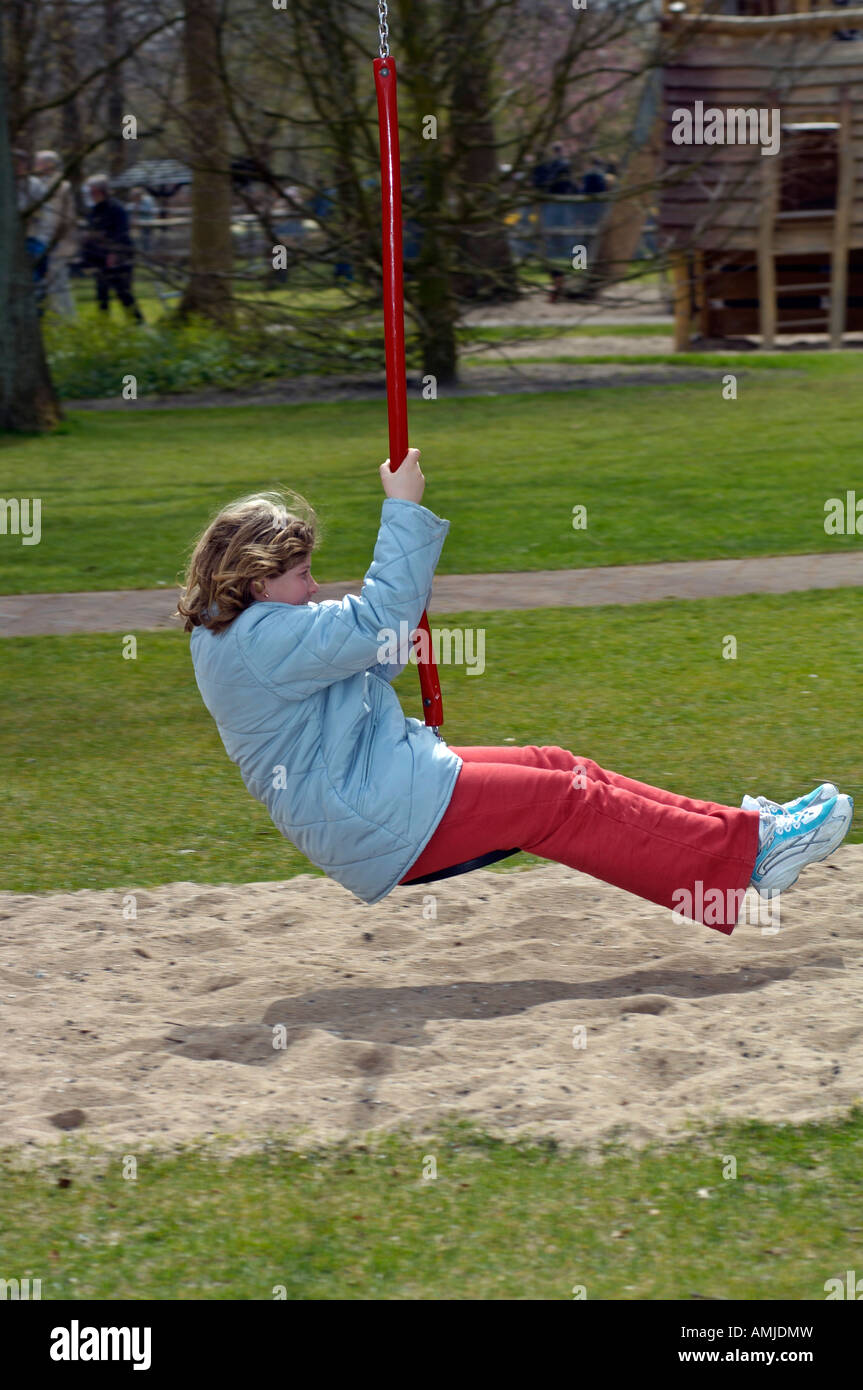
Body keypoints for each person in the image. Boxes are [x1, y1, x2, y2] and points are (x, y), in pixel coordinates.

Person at [177, 450, 854, 933]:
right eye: (300, 574)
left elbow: (357, 656)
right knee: (563, 800)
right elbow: (376, 618)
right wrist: (401, 512)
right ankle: (746, 859)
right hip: (378, 812)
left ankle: (745, 838)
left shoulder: (242, 633)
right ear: (257, 578)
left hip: (380, 789)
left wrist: (388, 643)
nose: (313, 586)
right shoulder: (260, 635)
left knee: (561, 769)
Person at [83, 173, 144, 322]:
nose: (91, 194)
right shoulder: (95, 210)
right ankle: (104, 325)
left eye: (93, 191)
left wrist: (114, 253)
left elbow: (121, 232)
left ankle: (138, 322)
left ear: (100, 190)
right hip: (100, 257)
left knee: (123, 292)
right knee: (101, 292)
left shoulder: (116, 208)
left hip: (119, 257)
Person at [33, 150, 78, 318]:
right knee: (43, 284)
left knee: (59, 284)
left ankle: (68, 319)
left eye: (38, 163)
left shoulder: (62, 186)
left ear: (48, 165)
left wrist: (57, 240)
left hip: (57, 243)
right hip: (39, 240)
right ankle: (52, 319)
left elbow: (67, 217)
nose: (36, 166)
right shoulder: (34, 183)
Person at [14, 149, 50, 312]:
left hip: (33, 238)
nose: (17, 167)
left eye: (20, 163)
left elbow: (43, 211)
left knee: (36, 278)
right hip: (13, 241)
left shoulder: (34, 184)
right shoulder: (7, 185)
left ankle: (37, 312)